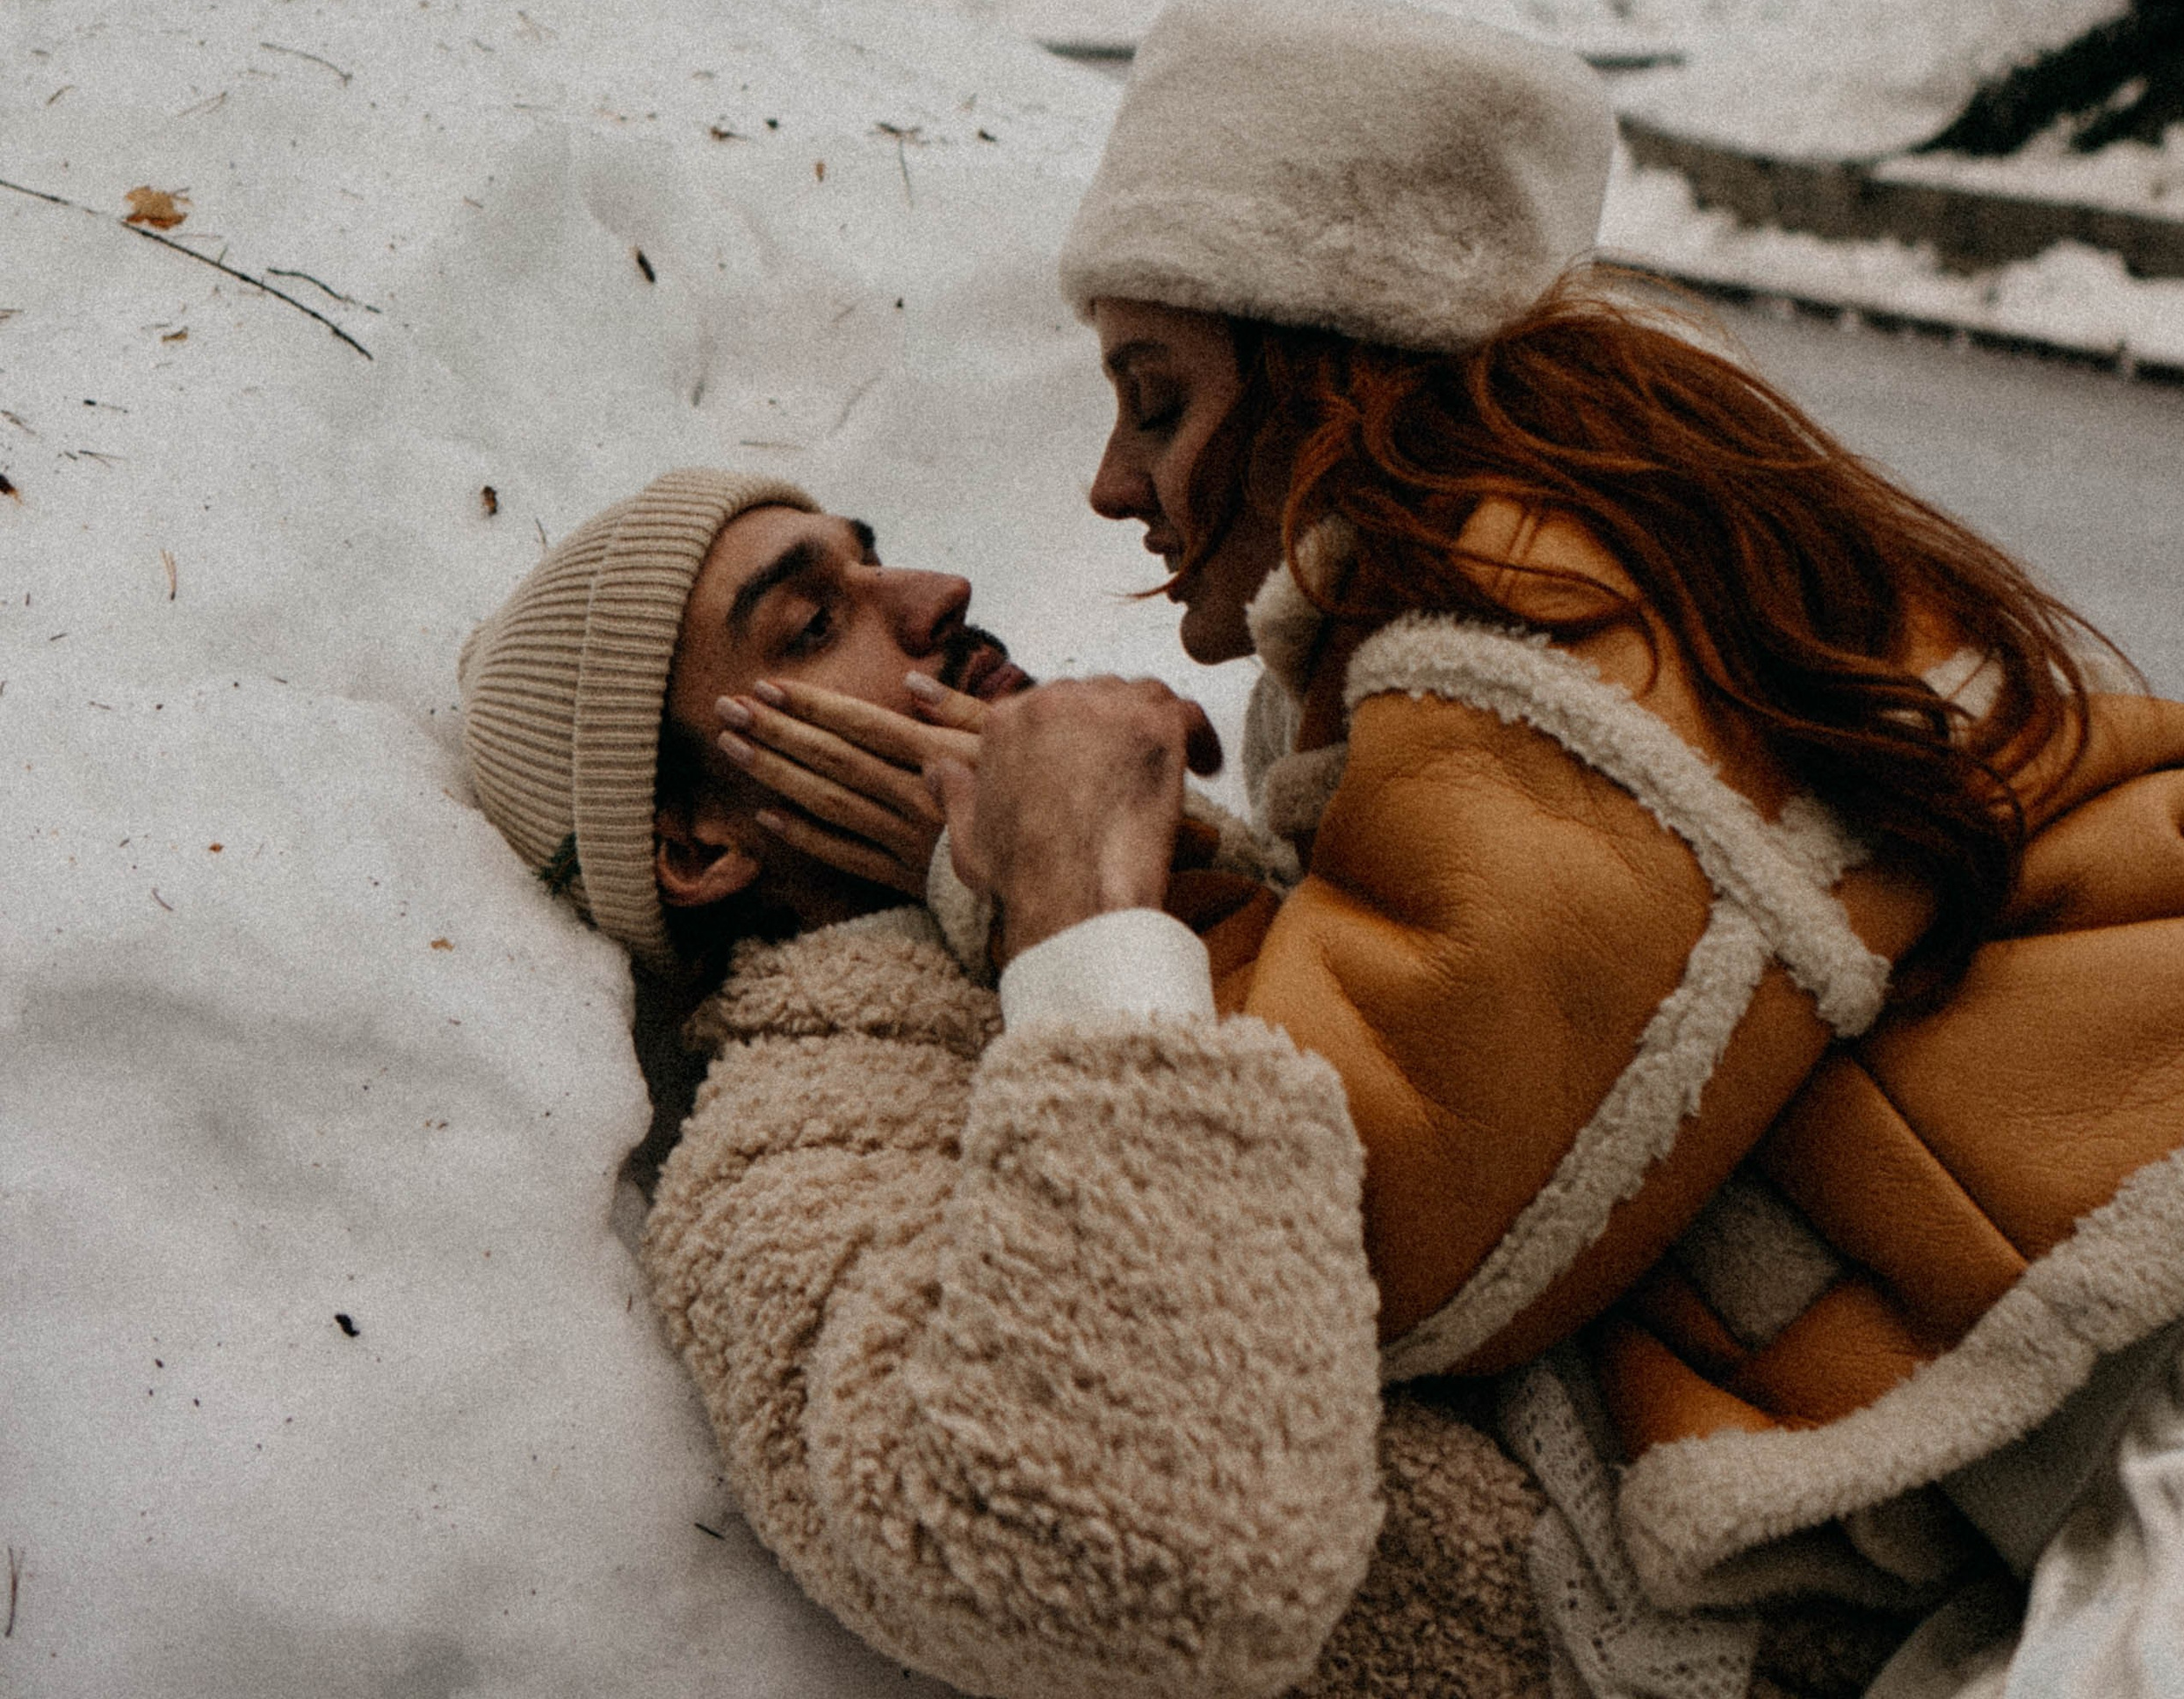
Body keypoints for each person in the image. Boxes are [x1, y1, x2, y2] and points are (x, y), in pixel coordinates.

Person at [926, 0, 2184, 1699]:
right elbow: (1464, 1034)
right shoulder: (1558, 565)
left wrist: (1058, 891)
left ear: (1324, 369)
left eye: (1155, 395)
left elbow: (1342, 1237)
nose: (1112, 483)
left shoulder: (1539, 626)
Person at [457, 468, 1554, 1699]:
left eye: (876, 557)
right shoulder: (780, 1174)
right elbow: (1135, 1563)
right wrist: (1076, 902)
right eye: (814, 625)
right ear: (700, 845)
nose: (938, 592)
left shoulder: (1220, 871)